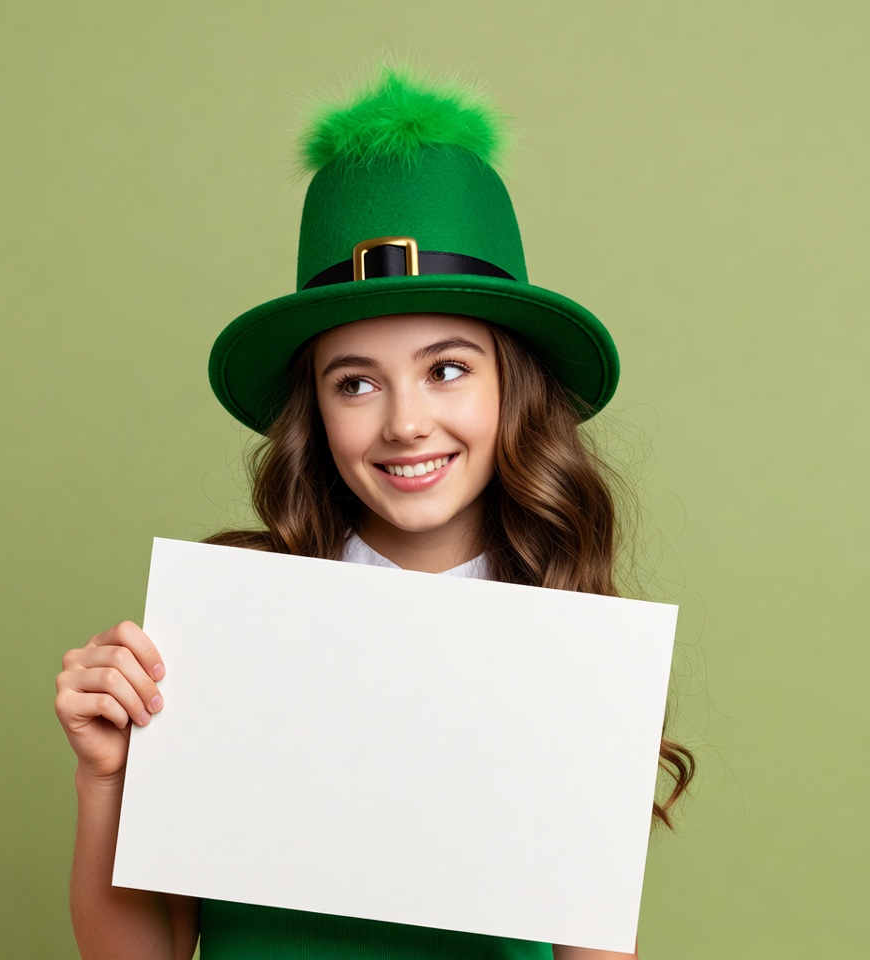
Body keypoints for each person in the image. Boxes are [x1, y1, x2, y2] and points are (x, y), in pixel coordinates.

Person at [55, 66, 694, 960]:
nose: (404, 423)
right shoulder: (234, 620)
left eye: (447, 368)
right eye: (355, 381)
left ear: (515, 384)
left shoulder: (573, 645)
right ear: (313, 407)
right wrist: (105, 784)